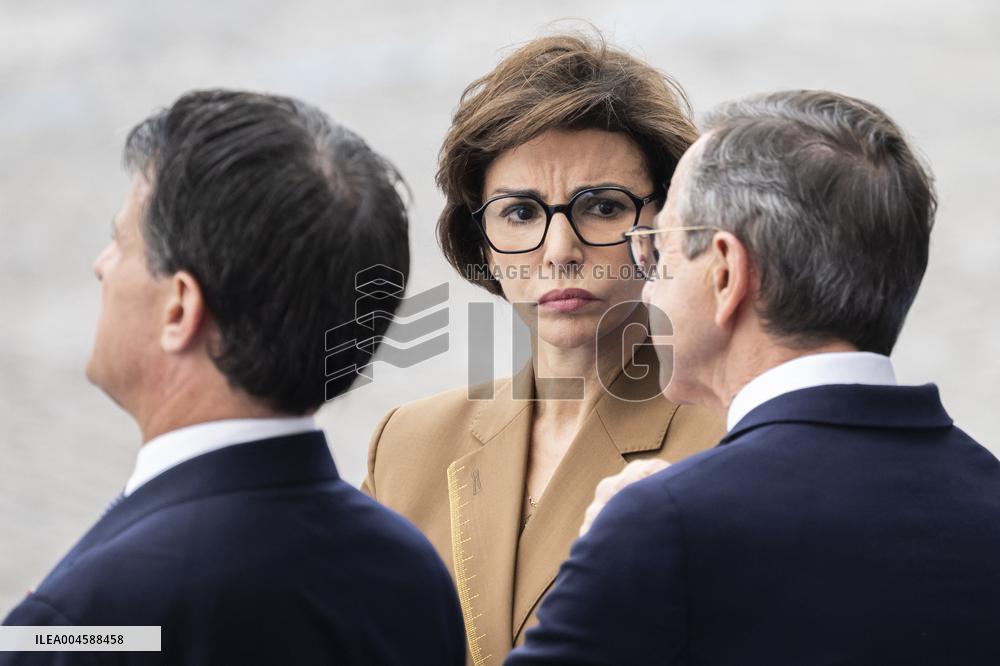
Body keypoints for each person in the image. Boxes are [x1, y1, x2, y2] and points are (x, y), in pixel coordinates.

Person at [505, 90, 1000, 665]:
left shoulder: (663, 527)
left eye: (659, 250)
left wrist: (608, 556)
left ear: (725, 273)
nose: (648, 285)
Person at [1, 90, 464, 665]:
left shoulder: (82, 624)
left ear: (180, 310)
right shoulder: (411, 575)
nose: (101, 265)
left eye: (121, 242)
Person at [361, 33, 723, 664]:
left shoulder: (728, 444)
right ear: (482, 242)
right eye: (521, 213)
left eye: (602, 206)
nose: (559, 251)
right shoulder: (406, 445)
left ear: (667, 228)